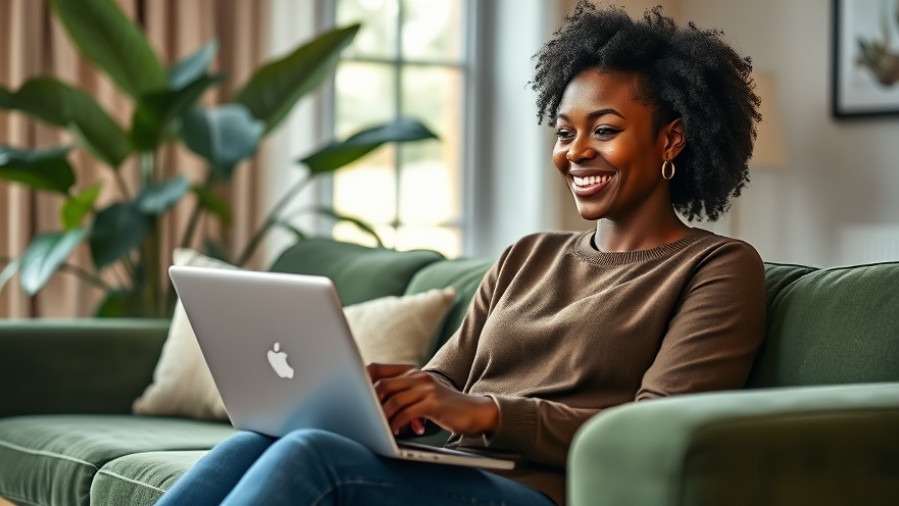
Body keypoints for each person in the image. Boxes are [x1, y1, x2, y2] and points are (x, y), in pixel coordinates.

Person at [155, 3, 766, 505]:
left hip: (545, 494)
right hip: (455, 472)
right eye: (564, 131)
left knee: (313, 458)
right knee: (259, 441)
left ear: (671, 138)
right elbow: (447, 377)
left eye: (603, 130)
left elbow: (654, 434)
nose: (575, 152)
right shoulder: (528, 256)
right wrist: (396, 398)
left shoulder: (717, 268)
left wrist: (487, 413)